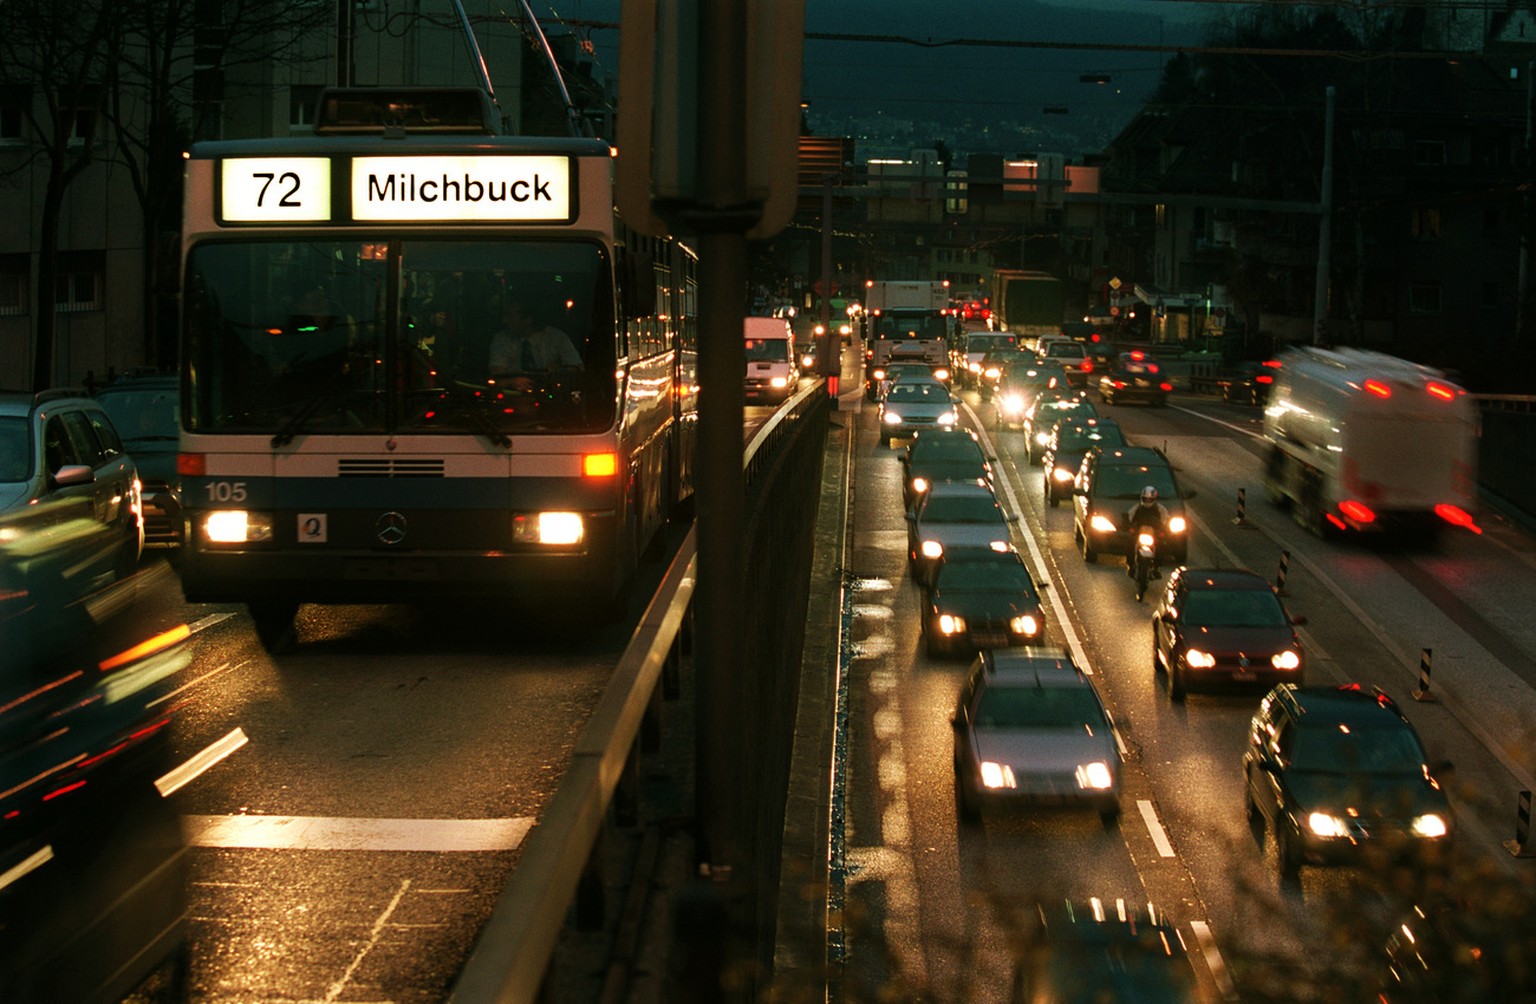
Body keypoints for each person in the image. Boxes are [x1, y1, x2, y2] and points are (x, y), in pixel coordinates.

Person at [487, 294, 582, 390]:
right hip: (513, 397)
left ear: (528, 319)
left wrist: (558, 371)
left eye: (510, 316)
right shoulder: (501, 339)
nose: (504, 321)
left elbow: (578, 369)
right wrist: (512, 382)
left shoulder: (557, 338)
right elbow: (496, 377)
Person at [1124, 485, 1169, 578]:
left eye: (1150, 499)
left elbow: (1165, 520)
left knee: (1162, 545)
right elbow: (1129, 517)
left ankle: (1157, 567)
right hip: (1139, 532)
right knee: (1129, 543)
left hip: (1154, 533)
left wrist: (1162, 530)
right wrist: (1130, 527)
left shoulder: (1160, 509)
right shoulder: (1137, 508)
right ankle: (1130, 565)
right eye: (1145, 499)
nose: (1147, 501)